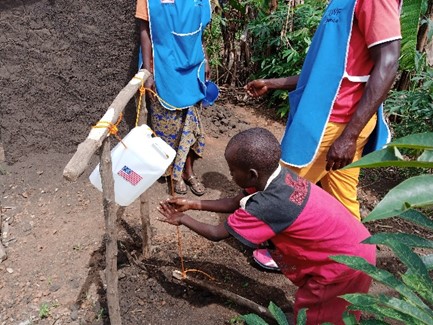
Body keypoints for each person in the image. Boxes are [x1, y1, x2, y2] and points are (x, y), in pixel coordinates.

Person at [158, 127, 376, 324]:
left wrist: (181, 219)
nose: (231, 175)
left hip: (345, 264)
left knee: (321, 311)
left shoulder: (267, 204)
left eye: (233, 171)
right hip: (354, 242)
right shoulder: (279, 177)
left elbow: (216, 233)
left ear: (251, 174)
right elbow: (235, 202)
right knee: (335, 309)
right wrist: (193, 204)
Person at [245, 0, 401, 221]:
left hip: (335, 122)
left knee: (279, 187)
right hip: (327, 119)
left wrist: (349, 136)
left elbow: (389, 61)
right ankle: (354, 251)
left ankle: (265, 239)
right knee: (342, 198)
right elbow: (325, 72)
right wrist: (273, 83)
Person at [135, 0, 212, 196]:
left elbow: (199, 31)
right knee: (170, 124)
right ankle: (173, 173)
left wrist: (206, 59)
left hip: (193, 65)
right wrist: (147, 70)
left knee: (191, 121)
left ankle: (188, 172)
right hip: (163, 65)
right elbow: (145, 31)